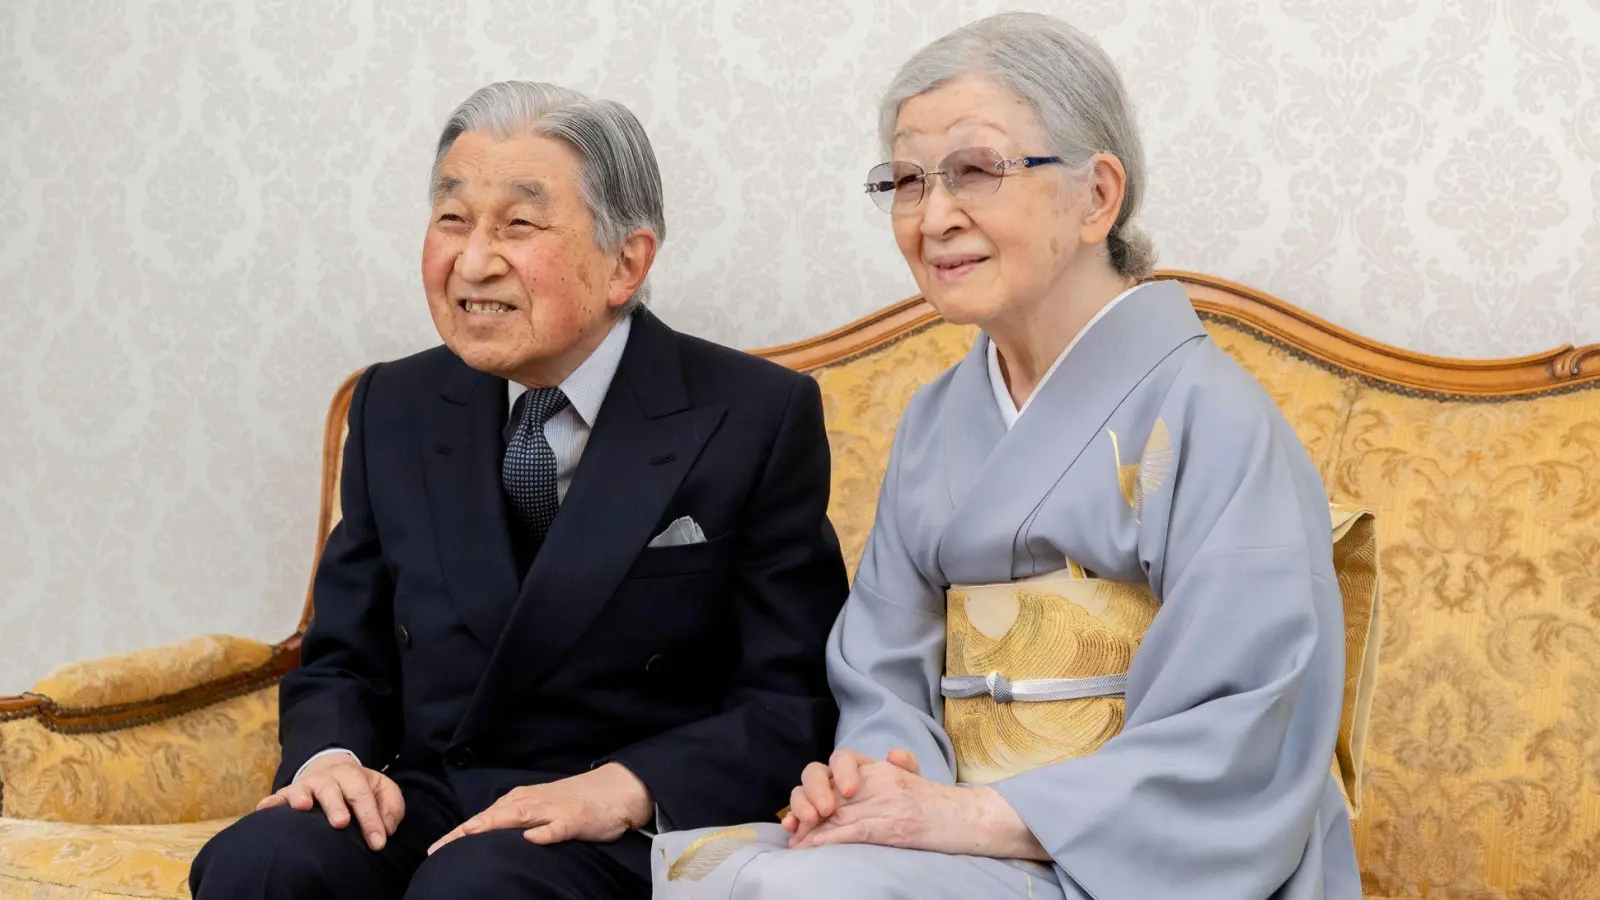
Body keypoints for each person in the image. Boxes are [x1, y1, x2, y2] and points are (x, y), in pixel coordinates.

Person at [652, 12, 1365, 900]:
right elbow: (880, 665)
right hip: (954, 840)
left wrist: (969, 821)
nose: (934, 215)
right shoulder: (935, 420)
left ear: (1097, 196)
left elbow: (1245, 725)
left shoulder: (1211, 415)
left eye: (975, 171)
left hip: (1131, 859)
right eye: (907, 180)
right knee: (709, 871)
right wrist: (880, 780)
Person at [189, 81, 849, 900]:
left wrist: (629, 786)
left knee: (479, 888)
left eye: (519, 225)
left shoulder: (752, 415)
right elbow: (342, 658)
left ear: (627, 262)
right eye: (452, 219)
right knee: (263, 862)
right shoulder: (394, 403)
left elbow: (791, 699)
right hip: (433, 793)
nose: (472, 261)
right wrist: (335, 761)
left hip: (621, 818)